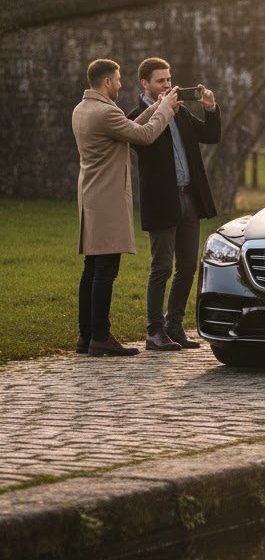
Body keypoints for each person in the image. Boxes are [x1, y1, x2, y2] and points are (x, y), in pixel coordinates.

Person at [72, 58, 178, 357]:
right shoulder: (106, 112)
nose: (120, 84)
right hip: (107, 199)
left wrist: (157, 107)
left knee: (92, 268)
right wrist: (165, 110)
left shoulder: (83, 108)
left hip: (91, 196)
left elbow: (130, 127)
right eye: (118, 79)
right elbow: (144, 136)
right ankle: (101, 336)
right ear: (107, 82)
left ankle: (85, 335)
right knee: (106, 269)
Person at [128, 57, 221, 350]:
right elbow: (140, 142)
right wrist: (162, 110)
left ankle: (174, 325)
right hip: (161, 201)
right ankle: (154, 331)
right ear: (145, 83)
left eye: (168, 80)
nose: (167, 85)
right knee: (162, 267)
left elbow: (211, 136)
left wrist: (209, 107)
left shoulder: (181, 112)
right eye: (160, 81)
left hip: (189, 198)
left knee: (189, 265)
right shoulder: (136, 117)